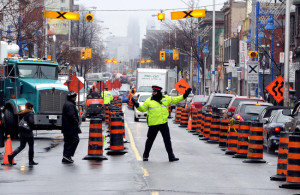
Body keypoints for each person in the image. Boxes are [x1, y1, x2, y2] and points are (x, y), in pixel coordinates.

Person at [132, 85, 192, 162]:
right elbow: (143, 109)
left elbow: (176, 99)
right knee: (150, 141)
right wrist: (136, 104)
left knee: (167, 140)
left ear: (159, 92)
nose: (153, 93)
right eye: (153, 91)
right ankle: (145, 156)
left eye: (155, 91)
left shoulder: (166, 98)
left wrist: (185, 95)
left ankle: (171, 156)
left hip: (163, 123)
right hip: (153, 124)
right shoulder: (149, 100)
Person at [62, 91, 81, 163]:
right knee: (75, 140)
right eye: (75, 97)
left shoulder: (68, 104)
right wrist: (76, 123)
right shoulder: (70, 105)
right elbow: (71, 116)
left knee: (68, 141)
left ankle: (66, 156)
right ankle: (67, 155)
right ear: (72, 97)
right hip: (70, 127)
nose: (76, 98)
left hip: (67, 127)